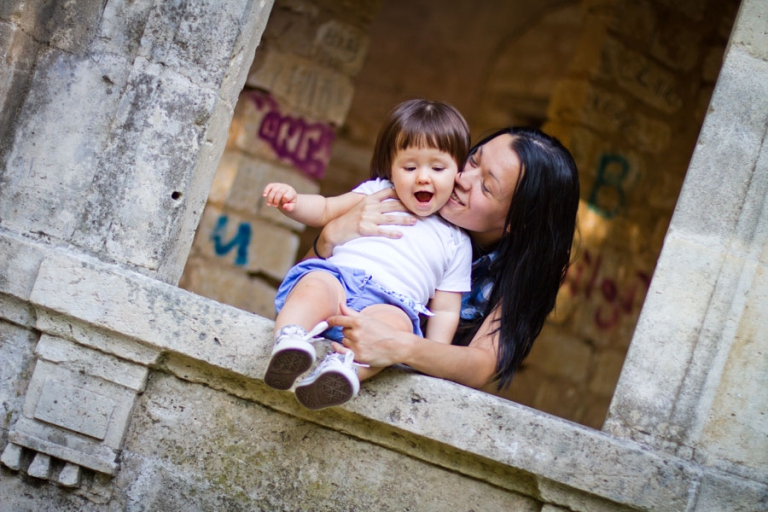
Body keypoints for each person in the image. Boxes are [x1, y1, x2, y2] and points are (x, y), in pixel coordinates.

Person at [316, 126, 580, 398]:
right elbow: (305, 278)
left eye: (486, 186)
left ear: (517, 221)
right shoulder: (408, 196)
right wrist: (330, 235)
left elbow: (481, 365)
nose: (463, 178)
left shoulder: (517, 275)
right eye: (474, 159)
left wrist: (401, 346)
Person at [261, 99, 473, 409]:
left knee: (395, 327)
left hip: (392, 303)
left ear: (458, 174)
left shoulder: (456, 241)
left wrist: (431, 353)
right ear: (391, 167)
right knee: (314, 285)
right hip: (339, 279)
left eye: (438, 168)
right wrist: (292, 203)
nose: (423, 177)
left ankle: (343, 370)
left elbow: (446, 309)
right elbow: (325, 208)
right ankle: (290, 340)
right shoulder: (376, 191)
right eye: (410, 167)